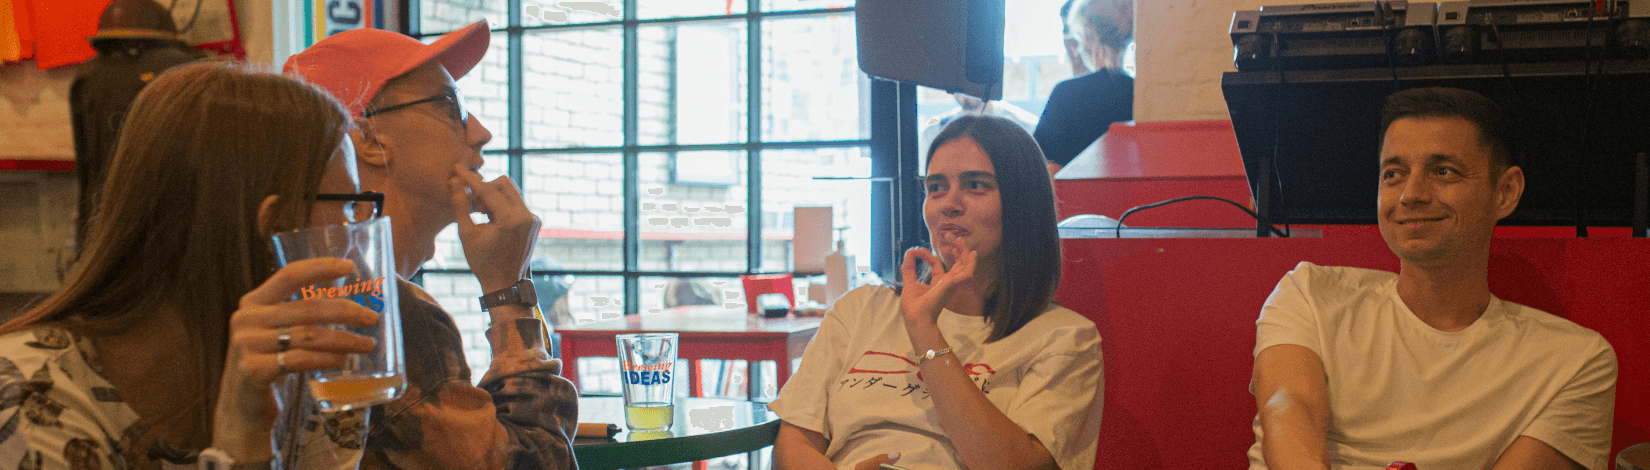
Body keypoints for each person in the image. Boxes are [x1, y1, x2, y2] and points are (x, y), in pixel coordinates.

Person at [0, 62, 380, 469]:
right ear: (277, 222)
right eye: (347, 207)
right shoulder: (30, 398)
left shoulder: (301, 371)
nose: (357, 244)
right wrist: (239, 446)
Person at [1248, 88, 1617, 470]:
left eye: (1444, 171)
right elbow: (1288, 416)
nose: (1411, 194)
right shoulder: (1309, 294)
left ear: (1505, 192)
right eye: (1393, 173)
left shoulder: (1575, 363)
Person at [282, 21, 578, 469]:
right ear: (369, 141)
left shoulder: (307, 279)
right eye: (449, 106)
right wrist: (508, 291)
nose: (480, 132)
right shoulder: (384, 311)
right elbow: (540, 462)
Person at [769, 115, 1104, 470]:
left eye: (976, 185)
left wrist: (925, 331)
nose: (949, 203)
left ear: (1022, 206)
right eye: (936, 187)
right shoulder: (860, 309)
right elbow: (794, 441)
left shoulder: (1065, 338)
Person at [1033, 0, 1134, 176]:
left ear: (1088, 33)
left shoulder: (1066, 94)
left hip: (1077, 201)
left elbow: (1040, 170)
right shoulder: (1140, 94)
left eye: (1079, 36)